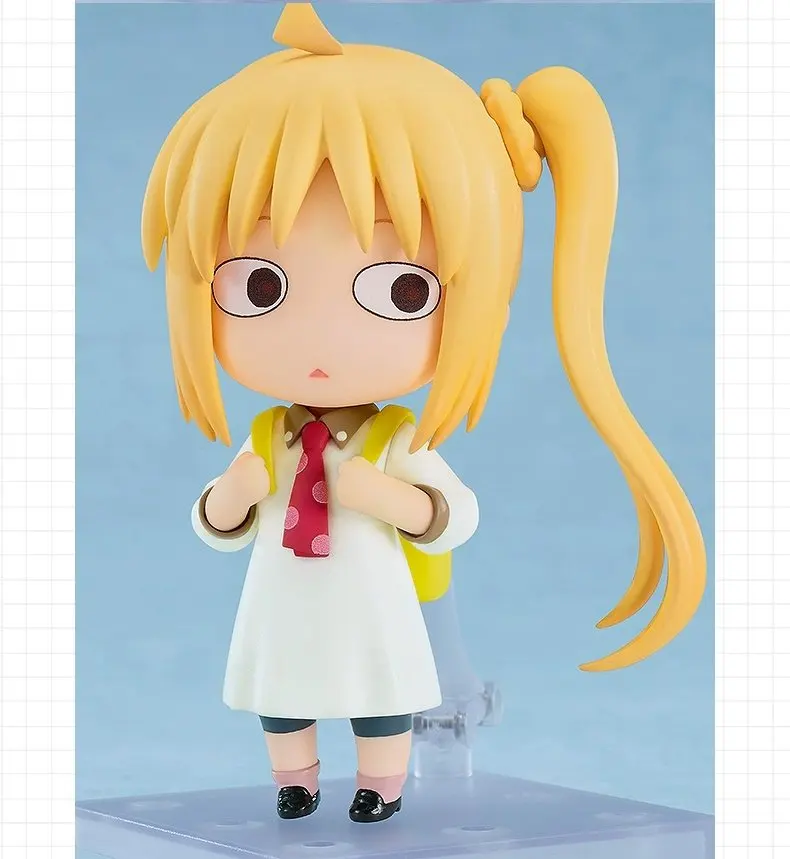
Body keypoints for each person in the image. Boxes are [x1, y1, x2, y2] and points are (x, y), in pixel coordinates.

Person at [141, 2, 706, 825]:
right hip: (284, 600)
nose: (324, 337)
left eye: (401, 290)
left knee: (381, 695)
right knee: (281, 691)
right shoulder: (266, 437)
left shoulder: (395, 438)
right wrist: (228, 498)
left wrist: (398, 501)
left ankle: (382, 783)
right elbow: (218, 523)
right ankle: (296, 779)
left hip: (372, 600)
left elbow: (455, 516)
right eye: (260, 284)